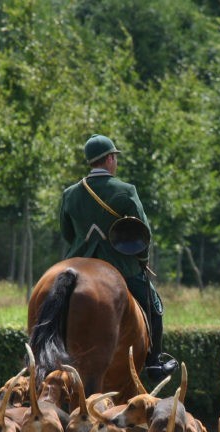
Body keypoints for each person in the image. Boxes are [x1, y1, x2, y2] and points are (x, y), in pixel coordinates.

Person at [59, 134, 178, 382]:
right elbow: (142, 233)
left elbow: (67, 234)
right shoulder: (126, 191)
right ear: (110, 158)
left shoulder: (70, 194)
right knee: (154, 306)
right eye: (115, 158)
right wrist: (142, 260)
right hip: (120, 266)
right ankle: (154, 362)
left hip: (77, 265)